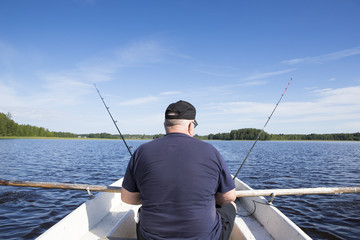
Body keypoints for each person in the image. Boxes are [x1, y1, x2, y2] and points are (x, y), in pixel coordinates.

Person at [121, 100, 237, 240]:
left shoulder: (141, 152)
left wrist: (150, 196)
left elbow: (127, 198)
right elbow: (229, 196)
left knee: (141, 211)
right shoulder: (211, 151)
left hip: (149, 237)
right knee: (231, 206)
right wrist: (211, 199)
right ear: (190, 126)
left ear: (166, 125)